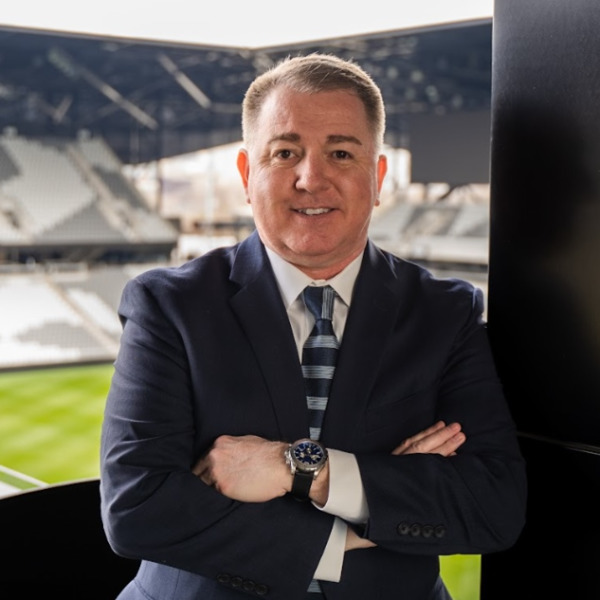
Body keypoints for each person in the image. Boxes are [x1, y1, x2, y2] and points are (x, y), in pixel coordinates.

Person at [100, 53, 527, 600]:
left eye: (341, 153)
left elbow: (493, 505)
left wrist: (302, 470)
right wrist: (357, 525)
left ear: (377, 178)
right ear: (247, 175)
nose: (311, 178)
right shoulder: (168, 306)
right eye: (285, 152)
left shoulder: (445, 314)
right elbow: (137, 510)